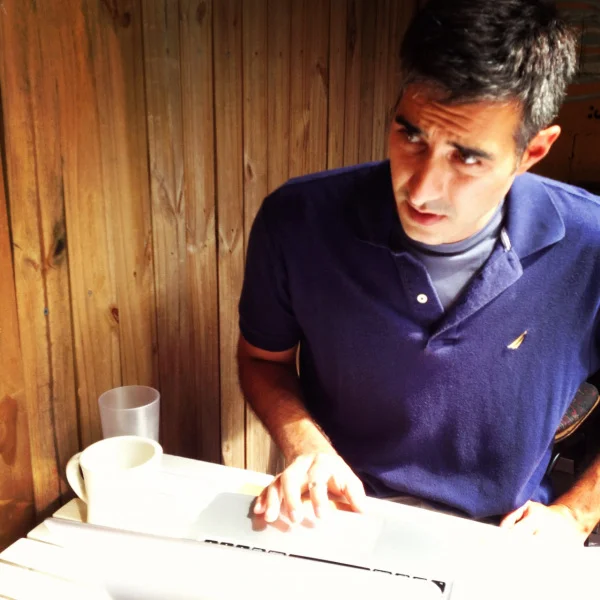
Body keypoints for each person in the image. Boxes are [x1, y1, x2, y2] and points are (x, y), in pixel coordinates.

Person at [237, 0, 600, 544]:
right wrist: (307, 448)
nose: (423, 189)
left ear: (533, 150)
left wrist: (576, 515)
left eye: (467, 158)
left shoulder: (590, 244)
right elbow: (261, 359)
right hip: (336, 518)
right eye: (411, 136)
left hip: (502, 539)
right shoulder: (298, 220)